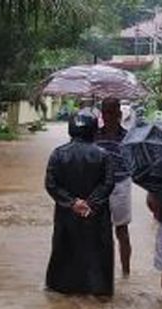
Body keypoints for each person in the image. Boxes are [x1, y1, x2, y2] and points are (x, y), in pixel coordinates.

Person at [45, 109, 116, 296]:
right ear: (94, 130)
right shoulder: (104, 155)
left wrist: (72, 203)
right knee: (97, 256)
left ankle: (62, 290)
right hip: (95, 215)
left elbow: (51, 184)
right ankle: (97, 291)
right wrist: (90, 204)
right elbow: (108, 184)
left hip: (67, 215)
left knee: (64, 252)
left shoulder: (58, 154)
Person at [96, 98, 132, 276]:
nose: (108, 116)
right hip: (100, 187)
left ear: (119, 114)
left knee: (122, 230)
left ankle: (126, 273)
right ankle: (102, 272)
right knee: (99, 230)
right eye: (105, 112)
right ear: (101, 114)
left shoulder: (128, 138)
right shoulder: (94, 136)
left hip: (121, 186)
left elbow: (134, 164)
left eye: (112, 112)